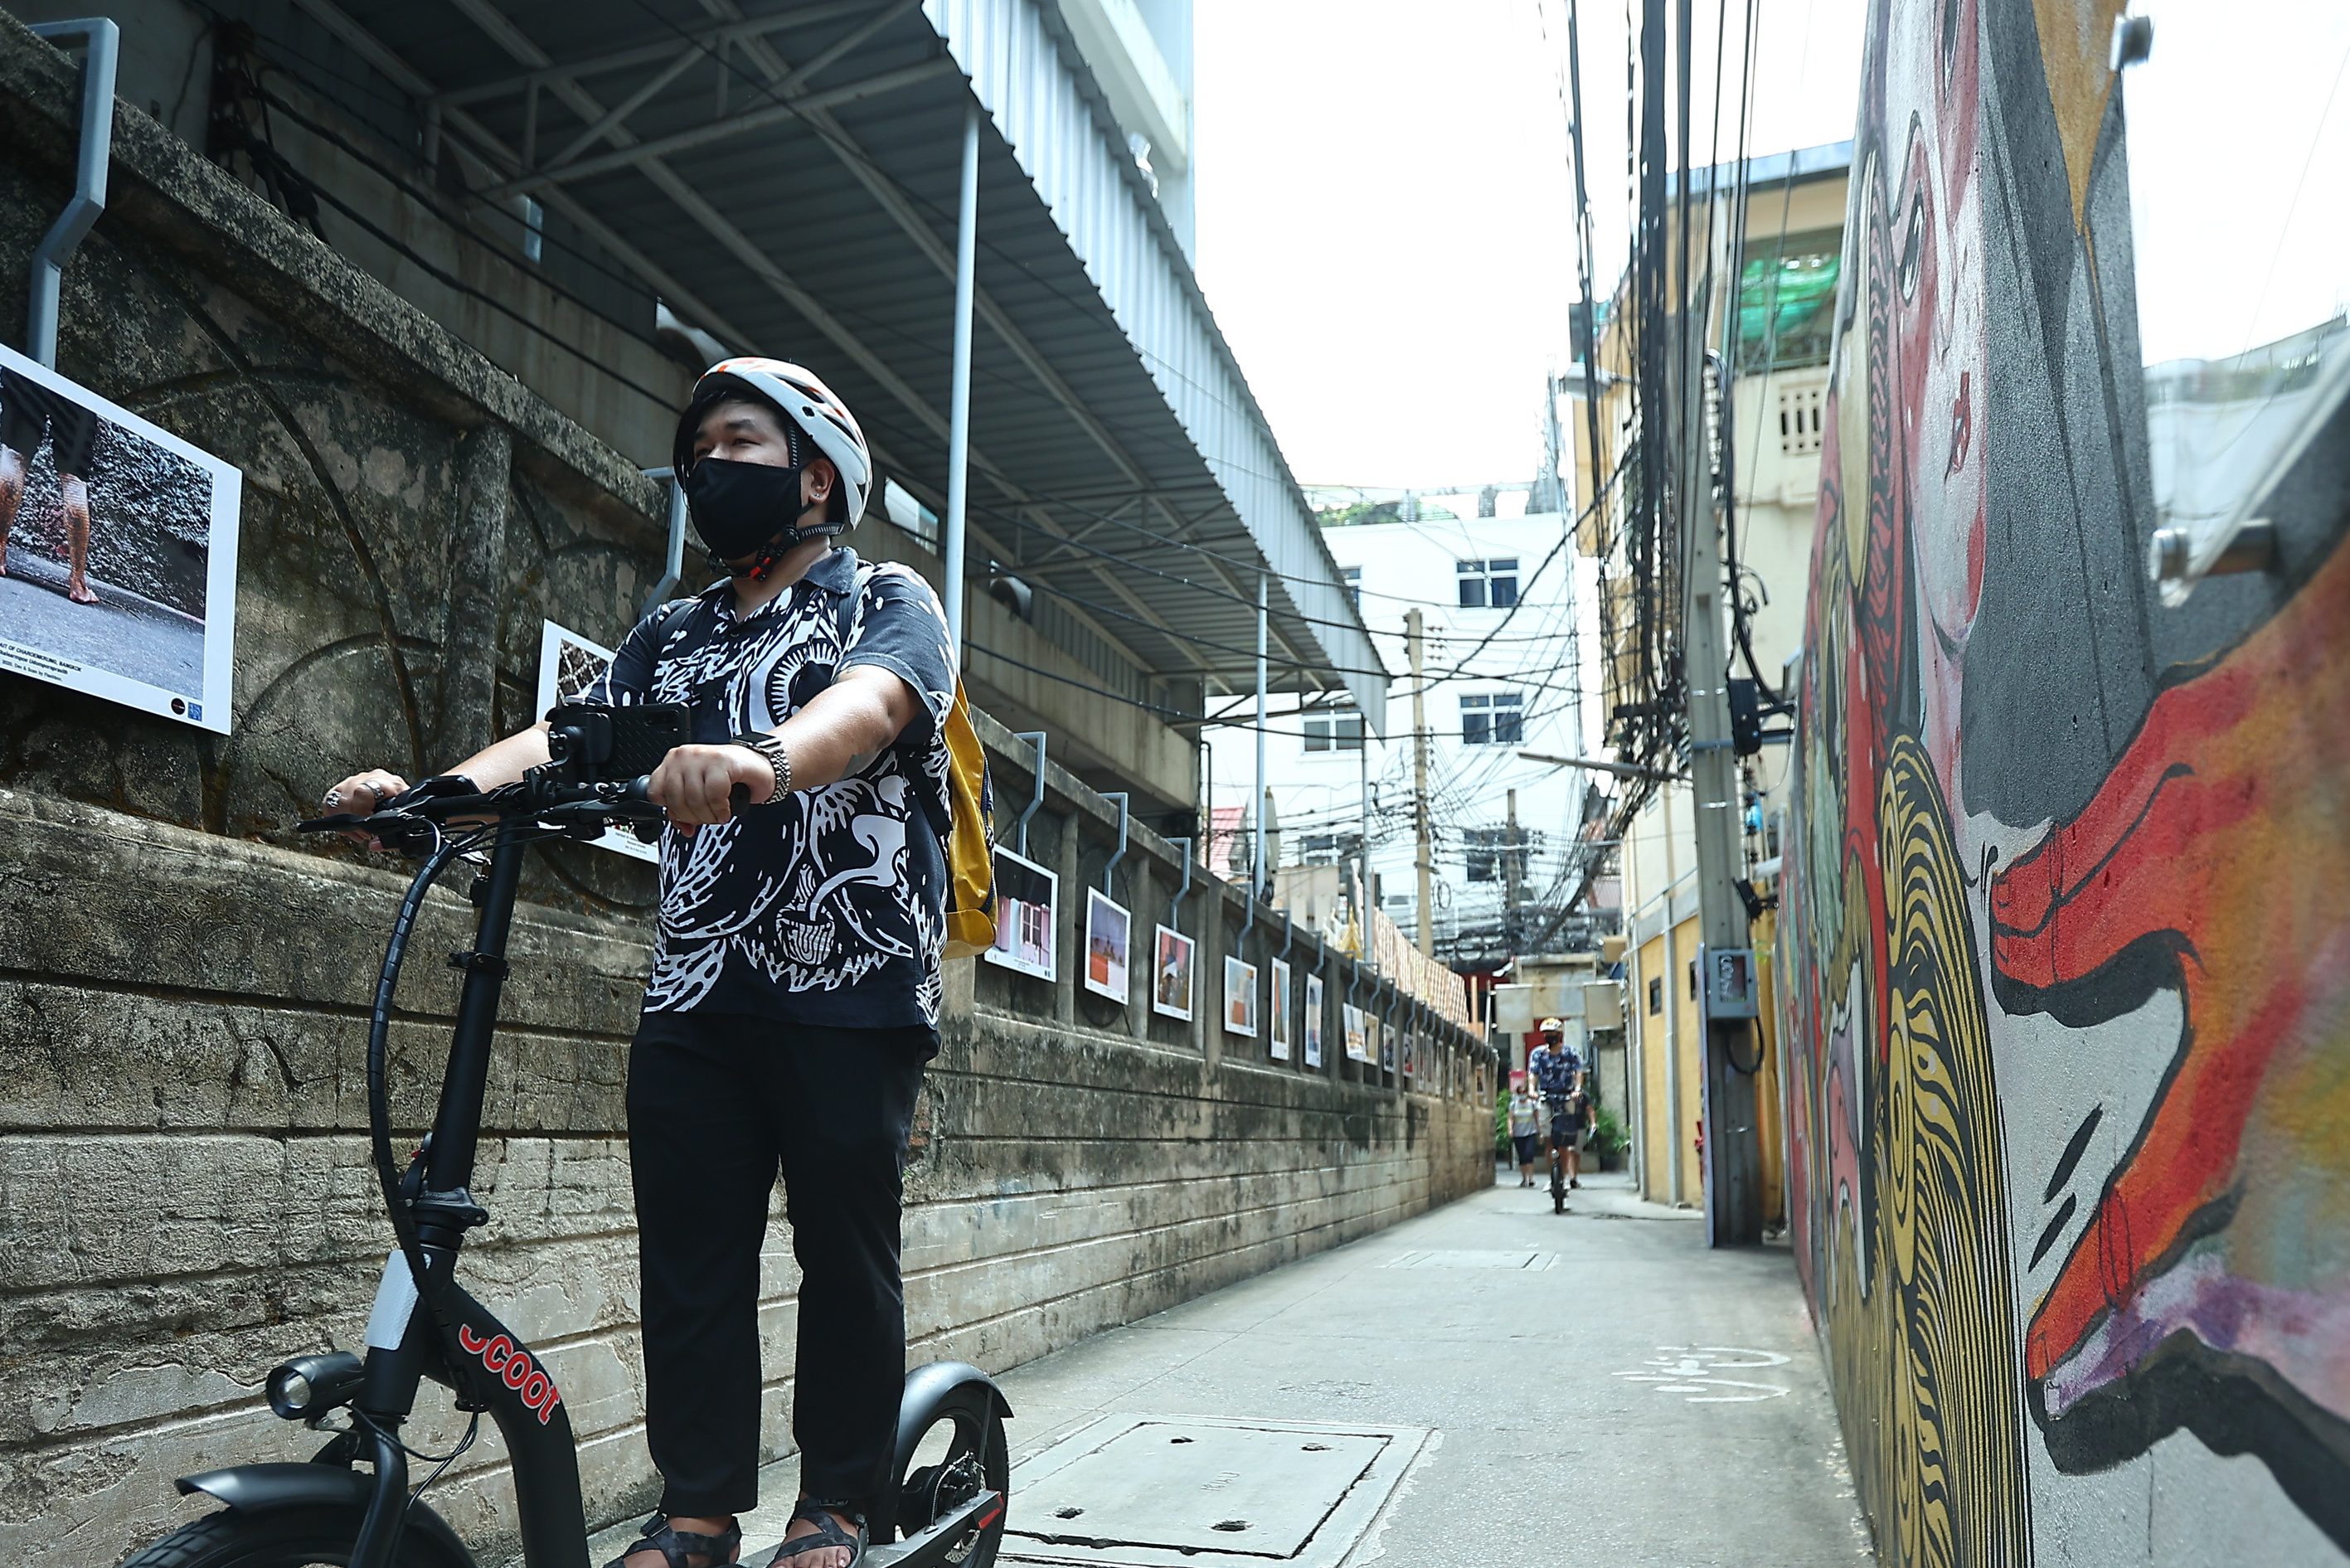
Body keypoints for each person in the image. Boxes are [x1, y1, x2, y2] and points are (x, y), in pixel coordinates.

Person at [324, 358, 955, 1568]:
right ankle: (699, 1512)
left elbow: (874, 707)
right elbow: (564, 736)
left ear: (814, 473)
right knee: (691, 1257)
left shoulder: (884, 595)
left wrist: (762, 758)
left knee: (844, 1253)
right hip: (699, 985)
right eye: (698, 447)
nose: (705, 465)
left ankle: (836, 1500)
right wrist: (431, 796)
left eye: (737, 440)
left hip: (851, 983)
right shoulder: (671, 629)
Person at [0, 366, 103, 604]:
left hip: (31, 365)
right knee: (74, 482)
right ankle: (78, 583)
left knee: (14, 457)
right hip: (81, 377)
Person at [1527, 1018, 1585, 1191]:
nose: (1548, 1037)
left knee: (1565, 1140)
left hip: (1566, 1097)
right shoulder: (1538, 1054)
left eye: (1552, 1034)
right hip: (1546, 1097)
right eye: (1546, 1034)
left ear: (1559, 1035)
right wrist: (1532, 1089)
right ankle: (1552, 1178)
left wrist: (1577, 1089)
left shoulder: (1570, 1052)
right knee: (1549, 1138)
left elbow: (1578, 1072)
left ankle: (1565, 1177)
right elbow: (1533, 1074)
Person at [1507, 1072, 1544, 1187]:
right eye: (1520, 1092)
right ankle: (1524, 1178)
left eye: (1524, 1092)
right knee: (1522, 1157)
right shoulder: (1514, 1104)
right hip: (1518, 1134)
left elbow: (1537, 1118)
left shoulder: (1532, 1104)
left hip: (1530, 1133)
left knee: (1529, 1154)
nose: (1523, 1094)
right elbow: (1511, 1118)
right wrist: (1510, 1130)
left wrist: (1540, 1132)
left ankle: (1531, 1178)